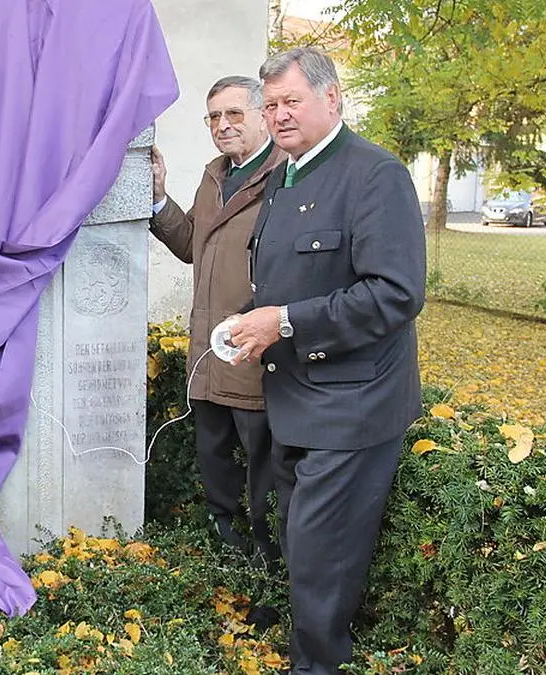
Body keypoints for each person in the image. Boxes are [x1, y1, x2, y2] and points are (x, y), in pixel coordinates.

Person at [228, 47, 426, 673]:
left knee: (321, 558)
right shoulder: (285, 176)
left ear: (332, 97)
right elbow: (288, 281)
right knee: (304, 549)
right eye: (271, 106)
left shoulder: (375, 174)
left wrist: (284, 322)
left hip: (352, 405)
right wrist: (250, 322)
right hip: (294, 398)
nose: (279, 115)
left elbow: (395, 294)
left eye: (292, 101)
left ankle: (316, 666)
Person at [150, 75, 285, 564]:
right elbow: (193, 245)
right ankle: (226, 552)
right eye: (213, 116)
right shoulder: (214, 176)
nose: (222, 125)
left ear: (263, 116)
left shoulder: (285, 176)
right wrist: (158, 198)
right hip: (208, 355)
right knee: (214, 460)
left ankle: (267, 559)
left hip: (252, 352)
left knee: (263, 468)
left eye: (234, 114)